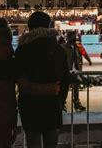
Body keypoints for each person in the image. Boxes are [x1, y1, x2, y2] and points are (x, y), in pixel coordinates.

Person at [0, 18, 59, 148]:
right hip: (5, 115)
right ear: (9, 39)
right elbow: (25, 85)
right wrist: (49, 89)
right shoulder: (13, 62)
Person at [15, 12, 70, 148]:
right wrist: (59, 101)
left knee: (33, 142)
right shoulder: (58, 49)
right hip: (52, 104)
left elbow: (16, 74)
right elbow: (65, 78)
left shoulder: (23, 49)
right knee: (51, 141)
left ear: (30, 27)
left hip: (30, 104)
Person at [62, 31, 86, 112]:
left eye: (75, 37)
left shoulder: (78, 45)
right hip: (66, 71)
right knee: (64, 88)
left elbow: (84, 53)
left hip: (76, 71)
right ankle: (62, 104)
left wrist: (88, 60)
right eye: (72, 37)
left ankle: (76, 103)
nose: (74, 38)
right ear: (68, 38)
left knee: (76, 88)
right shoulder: (63, 47)